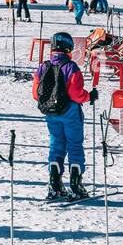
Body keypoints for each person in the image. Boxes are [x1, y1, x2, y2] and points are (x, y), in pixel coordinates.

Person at [32, 31, 95, 201]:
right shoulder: (71, 67)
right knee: (74, 144)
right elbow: (76, 94)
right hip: (70, 111)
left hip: (51, 112)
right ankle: (75, 184)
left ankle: (55, 183)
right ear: (69, 48)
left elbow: (36, 94)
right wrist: (89, 96)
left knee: (56, 143)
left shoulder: (43, 66)